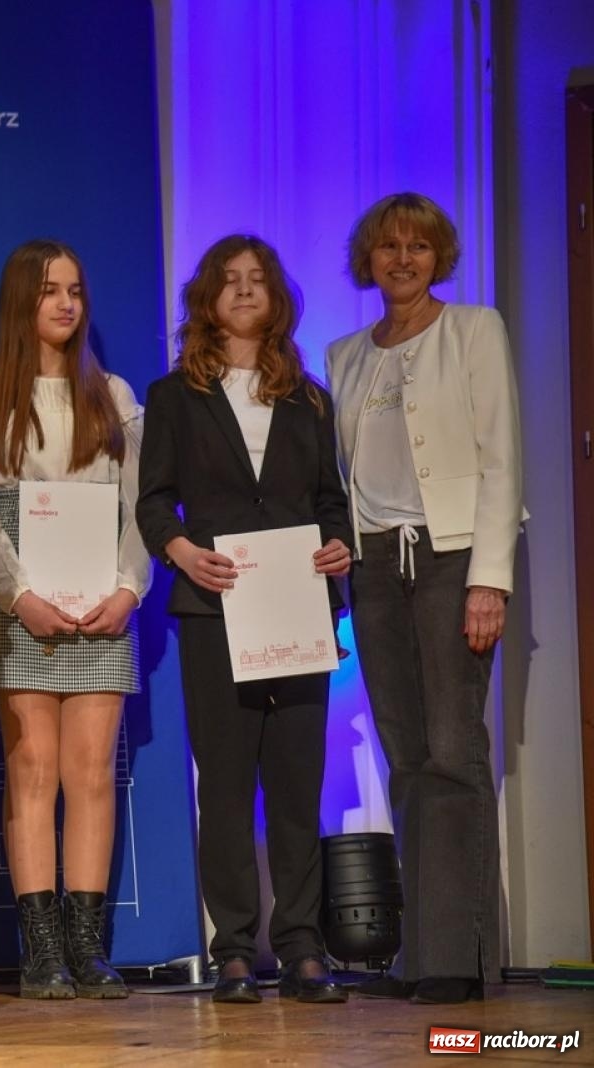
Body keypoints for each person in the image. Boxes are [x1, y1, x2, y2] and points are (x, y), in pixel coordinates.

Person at [136, 234, 351, 1005]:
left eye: (258, 279)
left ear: (278, 297)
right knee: (224, 786)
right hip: (215, 608)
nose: (245, 289)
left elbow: (332, 502)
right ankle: (232, 948)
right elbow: (153, 500)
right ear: (207, 298)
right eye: (229, 280)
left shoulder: (311, 396)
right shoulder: (172, 397)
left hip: (298, 607)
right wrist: (182, 553)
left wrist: (338, 549)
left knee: (297, 786)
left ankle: (301, 947)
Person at [326, 193, 523, 1005]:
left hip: (448, 563)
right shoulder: (343, 354)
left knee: (452, 752)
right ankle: (420, 955)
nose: (402, 259)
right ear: (366, 260)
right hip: (374, 571)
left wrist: (490, 578)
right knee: (407, 758)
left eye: (418, 246)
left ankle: (457, 959)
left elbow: (501, 459)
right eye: (386, 247)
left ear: (440, 256)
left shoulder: (474, 330)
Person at [0, 240, 147, 1000]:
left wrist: (128, 589)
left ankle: (89, 946)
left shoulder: (116, 396)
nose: (65, 303)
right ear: (19, 303)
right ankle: (40, 953)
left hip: (101, 599)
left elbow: (142, 509)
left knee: (89, 773)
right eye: (48, 290)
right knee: (31, 768)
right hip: (17, 598)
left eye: (75, 290)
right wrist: (16, 594)